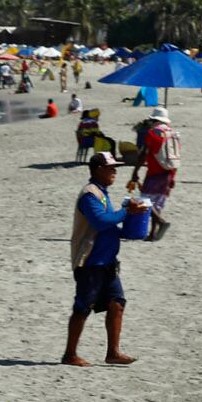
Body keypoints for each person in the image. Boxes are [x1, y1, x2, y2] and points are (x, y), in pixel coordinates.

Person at [63, 152, 147, 366]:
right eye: (111, 168)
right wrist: (127, 211)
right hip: (90, 262)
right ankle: (70, 354)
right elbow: (100, 221)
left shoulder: (101, 193)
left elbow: (108, 225)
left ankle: (113, 353)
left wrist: (128, 229)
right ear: (98, 169)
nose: (115, 171)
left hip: (107, 262)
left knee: (117, 303)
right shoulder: (89, 194)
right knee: (83, 307)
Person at [126, 106, 177, 240]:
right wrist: (173, 177)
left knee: (144, 201)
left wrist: (135, 171)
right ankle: (152, 233)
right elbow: (174, 156)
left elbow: (144, 153)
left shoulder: (153, 133)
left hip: (154, 172)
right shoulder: (172, 134)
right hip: (168, 172)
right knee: (158, 204)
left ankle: (161, 222)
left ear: (155, 120)